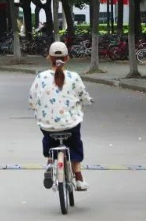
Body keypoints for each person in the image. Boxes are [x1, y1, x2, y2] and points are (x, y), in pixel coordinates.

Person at [28, 42, 92, 192]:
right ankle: (79, 178)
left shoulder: (41, 77)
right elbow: (83, 95)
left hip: (48, 125)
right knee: (75, 144)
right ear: (67, 58)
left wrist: (34, 106)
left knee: (49, 139)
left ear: (49, 58)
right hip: (70, 124)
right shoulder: (74, 77)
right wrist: (87, 101)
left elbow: (32, 99)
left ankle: (50, 162)